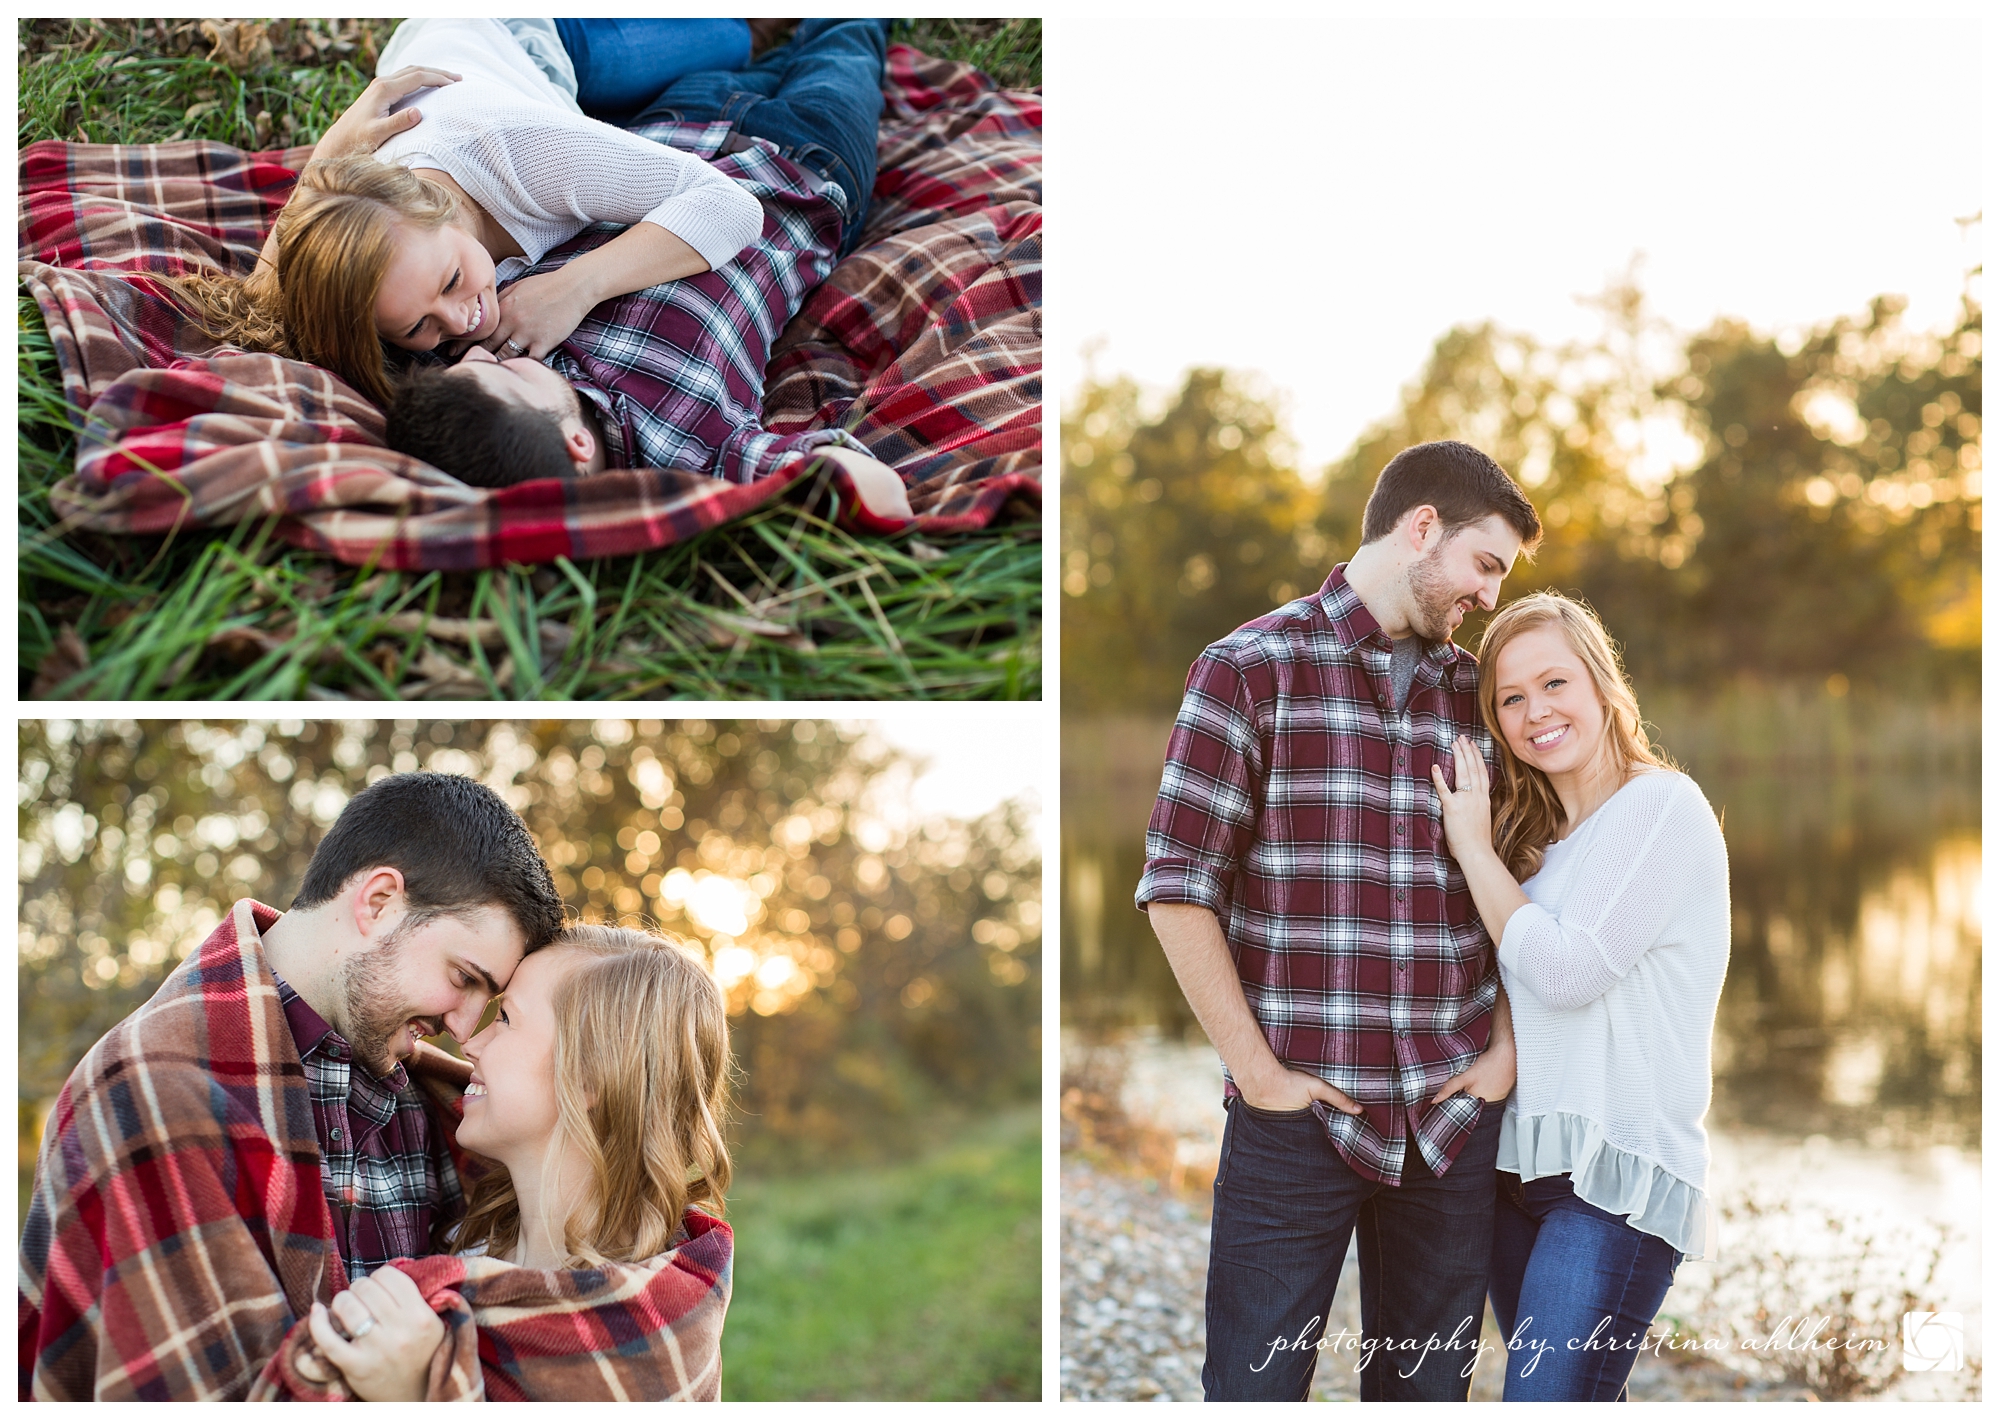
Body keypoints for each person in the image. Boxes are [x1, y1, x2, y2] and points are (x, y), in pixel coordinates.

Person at [1137, 439, 1543, 1401]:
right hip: (1295, 1129)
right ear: (1422, 528)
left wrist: (1504, 1054)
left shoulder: (1480, 694)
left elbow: (1533, 886)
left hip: (1450, 1126)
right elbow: (1178, 886)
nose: (1490, 596)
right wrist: (1258, 1074)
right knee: (1250, 1393)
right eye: (1486, 564)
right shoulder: (1248, 669)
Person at [169, 19, 910, 515]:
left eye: (457, 345)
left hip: (666, 135)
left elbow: (280, 293)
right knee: (844, 39)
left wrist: (329, 158)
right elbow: (870, 489)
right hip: (804, 171)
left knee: (738, 40)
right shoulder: (698, 449)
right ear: (577, 444)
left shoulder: (465, 358)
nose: (470, 333)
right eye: (505, 367)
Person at [18, 772, 565, 1401]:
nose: (463, 1029)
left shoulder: (424, 1099)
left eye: (488, 998)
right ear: (379, 901)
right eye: (463, 977)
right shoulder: (154, 1092)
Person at [1429, 593, 1729, 1401]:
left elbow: (1566, 972)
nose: (1536, 712)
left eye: (1555, 683)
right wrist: (1501, 1046)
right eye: (1511, 699)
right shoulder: (1537, 844)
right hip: (1516, 1171)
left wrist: (1470, 847)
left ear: (1601, 684)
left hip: (1615, 1184)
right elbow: (1514, 974)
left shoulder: (1661, 809)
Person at [254, 926, 736, 1402]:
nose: (470, 1043)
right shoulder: (467, 1244)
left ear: (591, 1076)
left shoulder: (648, 1324)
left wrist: (415, 1397)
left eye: (504, 1017)